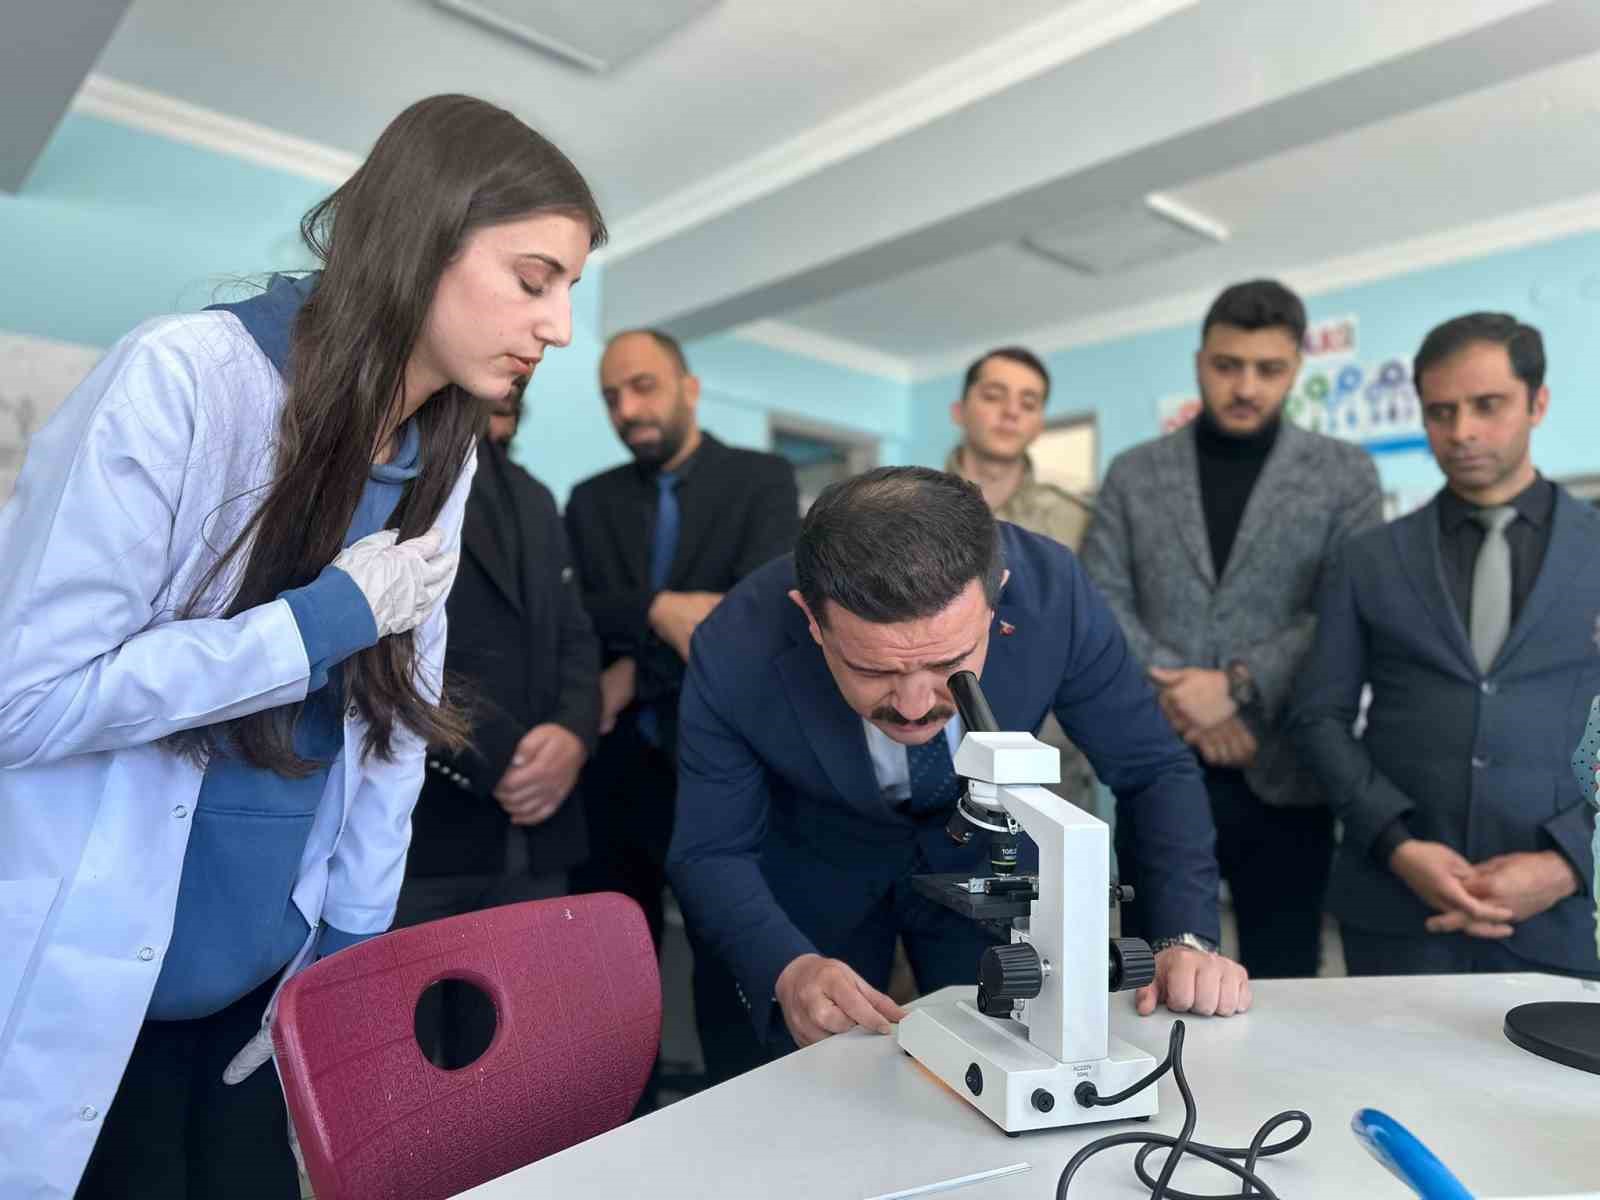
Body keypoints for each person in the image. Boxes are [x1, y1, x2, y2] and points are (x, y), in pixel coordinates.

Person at [0, 94, 604, 1198]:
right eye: (534, 280)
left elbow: (393, 723)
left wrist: (351, 941)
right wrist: (319, 620)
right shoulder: (185, 378)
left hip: (263, 989)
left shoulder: (445, 448)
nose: (559, 327)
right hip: (95, 984)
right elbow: (26, 701)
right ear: (422, 238)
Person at [668, 467, 1247, 1083]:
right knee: (797, 1088)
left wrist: (1182, 940)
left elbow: (1152, 770)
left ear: (997, 598)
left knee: (1017, 1065)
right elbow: (711, 849)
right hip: (812, 869)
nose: (914, 705)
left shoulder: (1054, 595)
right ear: (811, 619)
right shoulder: (737, 641)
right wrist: (787, 968)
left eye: (949, 664)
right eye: (875, 671)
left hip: (987, 859)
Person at [1080, 280, 1381, 979]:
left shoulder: (1345, 474)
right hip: (1159, 761)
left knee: (1285, 978)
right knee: (1153, 973)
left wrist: (1237, 684)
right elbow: (1100, 597)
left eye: (1268, 369)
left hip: (1287, 768)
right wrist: (1185, 697)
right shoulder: (1133, 472)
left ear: (1295, 369)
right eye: (1227, 366)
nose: (1245, 386)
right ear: (1199, 362)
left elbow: (1339, 608)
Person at [1294, 313, 1600, 978]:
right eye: (1441, 411)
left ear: (1538, 403)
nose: (1461, 431)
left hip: (1569, 916)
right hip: (1396, 908)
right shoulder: (1367, 559)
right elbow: (1318, 717)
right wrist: (1396, 844)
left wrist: (1571, 861)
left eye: (1487, 405)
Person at [565, 329, 800, 952]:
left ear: (689, 389)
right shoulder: (589, 500)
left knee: (732, 957)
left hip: (725, 763)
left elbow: (753, 621)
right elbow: (575, 613)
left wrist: (631, 672)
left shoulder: (763, 480)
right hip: (613, 773)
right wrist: (658, 608)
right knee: (609, 966)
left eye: (643, 387)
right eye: (611, 397)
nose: (627, 410)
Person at [395, 381, 601, 1068]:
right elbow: (401, 646)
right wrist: (504, 758)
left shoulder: (537, 497)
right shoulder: (403, 479)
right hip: (429, 834)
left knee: (523, 1060)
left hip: (539, 840)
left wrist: (573, 736)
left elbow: (577, 636)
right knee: (420, 1064)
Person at [946, 345, 1097, 815]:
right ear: (960, 410)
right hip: (933, 730)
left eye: (1028, 402)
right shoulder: (907, 507)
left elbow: (1093, 635)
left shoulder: (1078, 521)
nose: (1011, 412)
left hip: (1047, 746)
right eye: (995, 395)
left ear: (1038, 423)